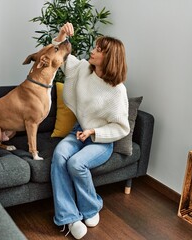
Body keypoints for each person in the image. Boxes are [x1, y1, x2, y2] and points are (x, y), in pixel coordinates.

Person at [51, 22, 130, 239]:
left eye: (98, 49)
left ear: (109, 57)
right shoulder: (83, 68)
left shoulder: (117, 90)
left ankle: (92, 206)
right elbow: (62, 57)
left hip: (100, 140)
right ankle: (70, 217)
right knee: (59, 156)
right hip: (79, 132)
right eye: (95, 47)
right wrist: (60, 36)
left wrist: (94, 132)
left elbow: (121, 127)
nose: (92, 51)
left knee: (76, 163)